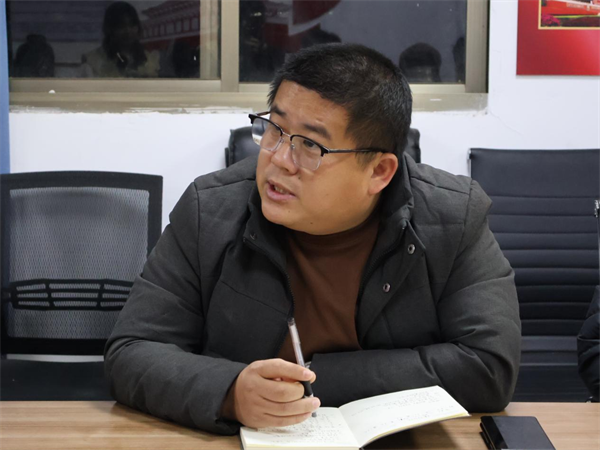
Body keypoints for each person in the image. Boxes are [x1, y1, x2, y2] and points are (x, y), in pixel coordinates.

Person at [105, 43, 521, 435]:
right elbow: (132, 350)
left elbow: (489, 367)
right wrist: (230, 392)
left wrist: (314, 381)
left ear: (379, 172)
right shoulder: (210, 210)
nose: (278, 160)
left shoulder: (453, 217)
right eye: (274, 129)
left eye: (309, 145)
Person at [81, 1, 159, 78]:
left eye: (132, 25)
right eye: (121, 26)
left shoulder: (149, 59)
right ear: (110, 29)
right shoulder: (93, 60)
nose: (128, 31)